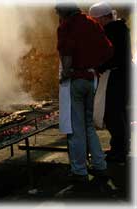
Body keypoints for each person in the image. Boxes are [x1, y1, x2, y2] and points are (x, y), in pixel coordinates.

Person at [55, 3, 113, 181]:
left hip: (76, 79)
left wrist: (66, 72)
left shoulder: (67, 25)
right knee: (88, 126)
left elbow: (67, 51)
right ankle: (100, 165)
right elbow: (108, 50)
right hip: (91, 78)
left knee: (75, 128)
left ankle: (79, 170)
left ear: (63, 11)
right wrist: (95, 66)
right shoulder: (92, 23)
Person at [89, 2, 132, 163]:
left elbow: (114, 56)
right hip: (120, 74)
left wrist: (99, 66)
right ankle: (119, 147)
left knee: (113, 113)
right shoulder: (118, 29)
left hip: (117, 76)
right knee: (118, 113)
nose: (95, 23)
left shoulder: (114, 31)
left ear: (104, 18)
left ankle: (120, 150)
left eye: (96, 20)